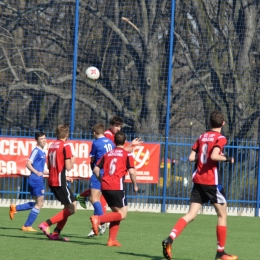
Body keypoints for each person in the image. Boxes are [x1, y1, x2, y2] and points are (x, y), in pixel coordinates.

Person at [161, 110, 238, 260]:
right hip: (211, 182)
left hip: (198, 180)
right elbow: (215, 155)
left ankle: (170, 239)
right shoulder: (220, 138)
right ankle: (220, 253)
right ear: (223, 123)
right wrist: (228, 158)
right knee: (222, 215)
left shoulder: (202, 136)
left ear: (209, 123)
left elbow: (191, 157)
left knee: (191, 215)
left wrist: (203, 157)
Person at [76, 115, 142, 208]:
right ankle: (100, 219)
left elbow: (119, 150)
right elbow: (115, 151)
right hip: (103, 167)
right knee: (100, 194)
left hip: (106, 167)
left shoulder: (114, 135)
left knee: (101, 191)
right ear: (111, 125)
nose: (118, 128)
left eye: (120, 126)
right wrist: (130, 145)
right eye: (116, 126)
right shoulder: (108, 135)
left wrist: (129, 146)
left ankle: (84, 197)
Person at [90, 130, 138, 246]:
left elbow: (96, 169)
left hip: (105, 186)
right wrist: (135, 185)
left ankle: (111, 239)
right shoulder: (127, 154)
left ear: (114, 141)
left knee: (116, 213)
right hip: (117, 187)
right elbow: (132, 172)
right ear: (125, 142)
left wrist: (101, 180)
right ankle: (99, 220)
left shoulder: (107, 154)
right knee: (123, 214)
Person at [38, 124, 76, 241]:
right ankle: (46, 223)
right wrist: (73, 158)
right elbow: (68, 167)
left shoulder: (51, 146)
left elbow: (49, 166)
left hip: (52, 180)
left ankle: (56, 233)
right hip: (60, 182)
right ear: (67, 134)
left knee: (66, 208)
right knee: (72, 208)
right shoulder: (66, 146)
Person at [9, 132, 49, 231]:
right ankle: (27, 226)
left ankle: (15, 208)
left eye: (44, 138)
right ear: (37, 140)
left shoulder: (43, 152)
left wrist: (53, 173)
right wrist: (36, 172)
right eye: (41, 139)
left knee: (38, 203)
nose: (44, 140)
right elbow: (28, 164)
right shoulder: (36, 151)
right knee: (40, 203)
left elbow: (42, 170)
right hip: (35, 180)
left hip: (37, 179)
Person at [85, 123, 115, 237]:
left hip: (99, 173)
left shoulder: (96, 143)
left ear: (94, 133)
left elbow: (92, 159)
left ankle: (103, 220)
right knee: (97, 198)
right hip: (108, 174)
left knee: (93, 199)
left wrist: (93, 168)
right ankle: (96, 226)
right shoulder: (110, 142)